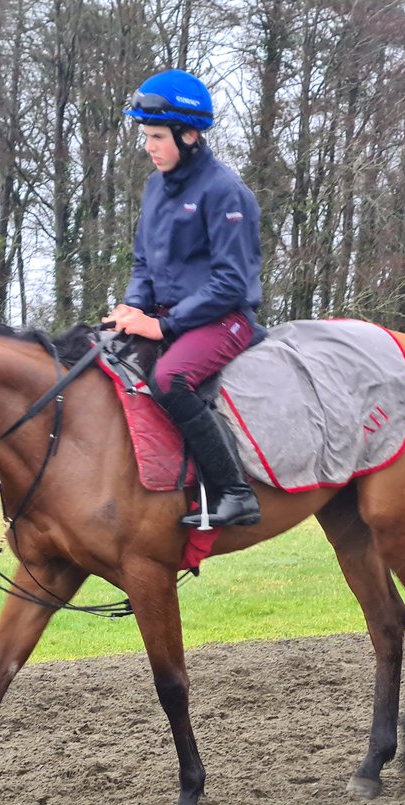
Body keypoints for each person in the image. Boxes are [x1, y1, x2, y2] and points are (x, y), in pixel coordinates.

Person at [105, 68, 266, 528]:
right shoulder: (156, 187)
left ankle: (237, 494)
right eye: (146, 136)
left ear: (190, 134)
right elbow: (143, 263)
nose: (149, 146)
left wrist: (164, 326)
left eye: (157, 136)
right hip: (166, 313)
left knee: (171, 377)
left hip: (225, 318)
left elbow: (231, 283)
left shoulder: (226, 192)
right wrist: (133, 306)